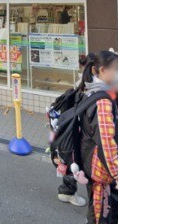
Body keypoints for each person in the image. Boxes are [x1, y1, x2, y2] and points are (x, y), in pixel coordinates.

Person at [78, 50, 118, 224]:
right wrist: (118, 174)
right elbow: (107, 144)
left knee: (96, 212)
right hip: (101, 169)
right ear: (102, 70)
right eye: (116, 69)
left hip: (90, 163)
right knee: (101, 215)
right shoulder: (102, 101)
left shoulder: (90, 89)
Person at [55, 55, 90, 207]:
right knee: (73, 163)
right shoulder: (88, 90)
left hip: (70, 134)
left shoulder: (81, 86)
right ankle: (68, 192)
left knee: (71, 162)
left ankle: (67, 191)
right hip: (76, 135)